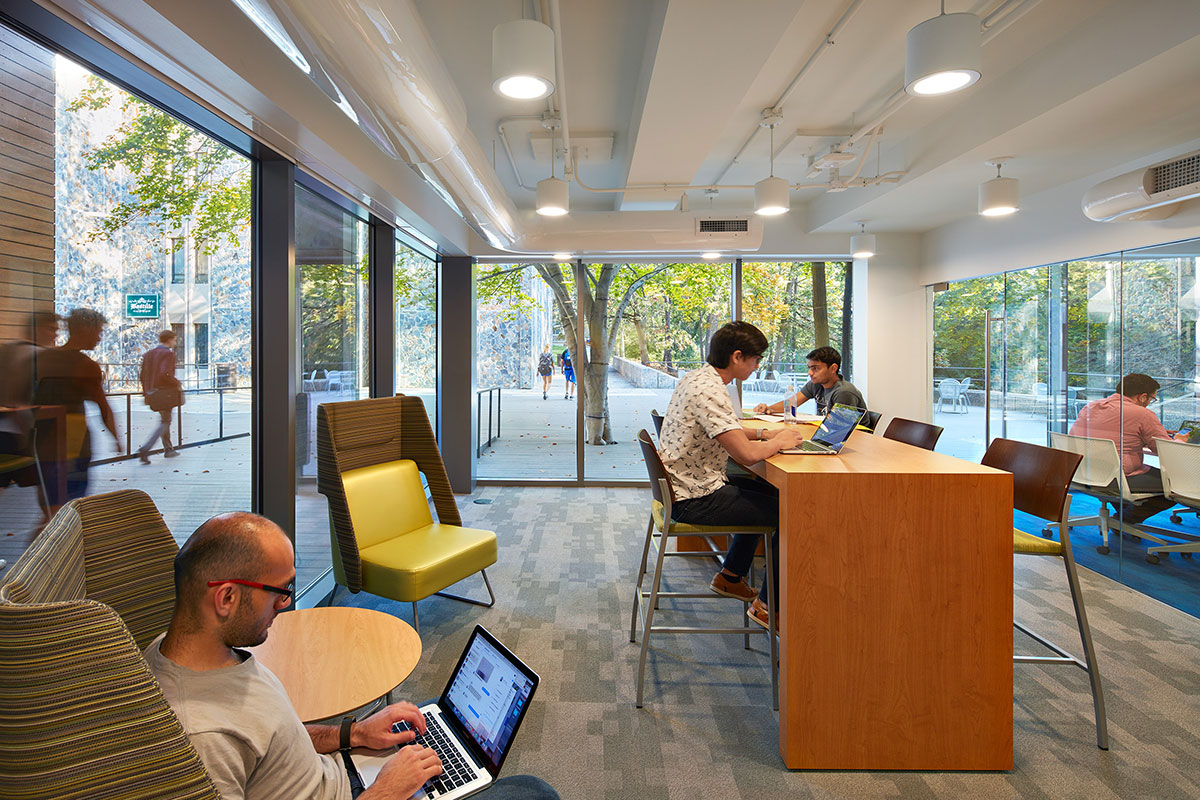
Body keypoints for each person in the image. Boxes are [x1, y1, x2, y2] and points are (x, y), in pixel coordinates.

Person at [144, 511, 559, 800]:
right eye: (279, 591)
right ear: (227, 598)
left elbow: (275, 742)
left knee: (430, 718)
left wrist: (353, 734)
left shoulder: (194, 654)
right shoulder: (201, 737)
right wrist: (385, 792)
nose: (287, 604)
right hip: (363, 792)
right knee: (537, 792)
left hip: (342, 773)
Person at [658, 321, 802, 629]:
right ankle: (766, 607)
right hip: (694, 497)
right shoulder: (711, 390)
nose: (757, 365)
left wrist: (763, 432)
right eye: (755, 359)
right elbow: (745, 455)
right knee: (793, 512)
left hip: (687, 485)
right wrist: (779, 441)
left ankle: (731, 576)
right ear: (737, 357)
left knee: (770, 494)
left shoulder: (698, 378)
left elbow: (727, 427)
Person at [32, 308, 121, 512]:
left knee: (50, 508)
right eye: (98, 332)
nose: (99, 338)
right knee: (70, 510)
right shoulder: (86, 366)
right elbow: (103, 408)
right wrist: (116, 438)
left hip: (44, 442)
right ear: (85, 330)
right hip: (73, 444)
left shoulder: (44, 359)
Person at [1069, 373, 1186, 524]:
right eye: (1151, 399)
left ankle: (1123, 517)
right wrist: (1180, 439)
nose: (1150, 403)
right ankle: (1125, 519)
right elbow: (1167, 451)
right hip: (1117, 478)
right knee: (1177, 484)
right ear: (1142, 397)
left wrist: (1149, 434)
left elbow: (1118, 436)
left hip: (1084, 473)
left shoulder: (1090, 407)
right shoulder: (1143, 414)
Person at [754, 345, 866, 417]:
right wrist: (768, 408)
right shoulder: (816, 384)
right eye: (810, 368)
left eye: (815, 368)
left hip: (853, 443)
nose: (810, 373)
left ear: (833, 368)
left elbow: (840, 430)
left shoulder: (844, 392)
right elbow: (791, 404)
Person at [138, 330, 183, 463]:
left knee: (165, 419)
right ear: (169, 340)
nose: (175, 343)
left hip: (152, 392)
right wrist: (177, 383)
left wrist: (146, 391)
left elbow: (142, 375)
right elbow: (165, 374)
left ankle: (168, 449)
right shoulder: (168, 354)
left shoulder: (149, 354)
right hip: (165, 392)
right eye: (174, 340)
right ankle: (145, 449)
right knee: (165, 421)